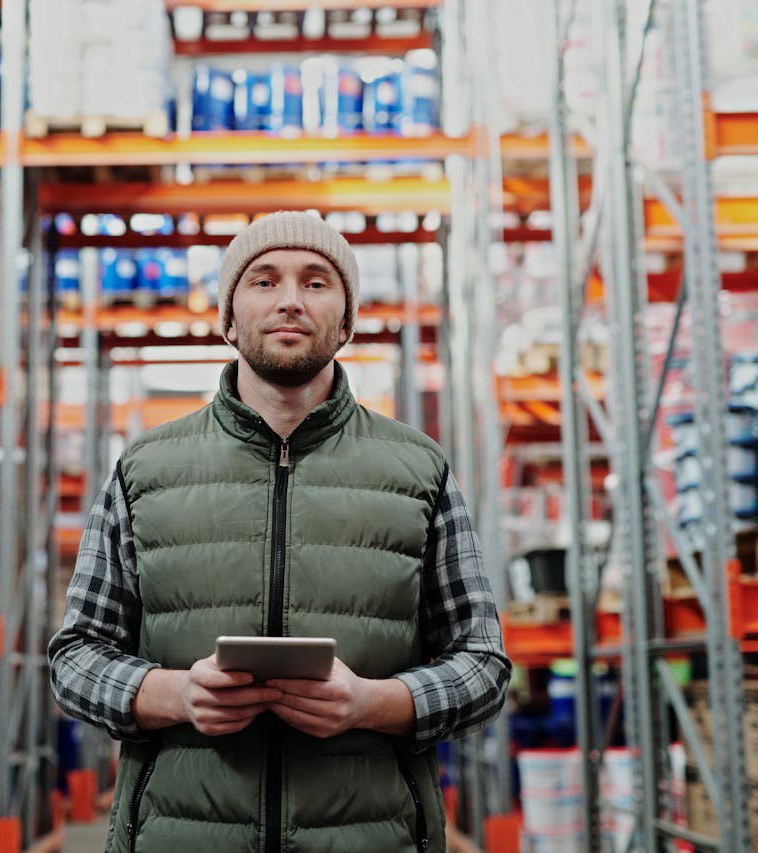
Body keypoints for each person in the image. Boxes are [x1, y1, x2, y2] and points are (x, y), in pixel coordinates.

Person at [49, 211, 511, 853]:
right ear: (229, 318)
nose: (290, 300)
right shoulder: (143, 471)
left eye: (317, 283)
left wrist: (371, 703)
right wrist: (178, 695)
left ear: (346, 322)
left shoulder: (419, 470)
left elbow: (483, 664)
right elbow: (75, 658)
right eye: (264, 281)